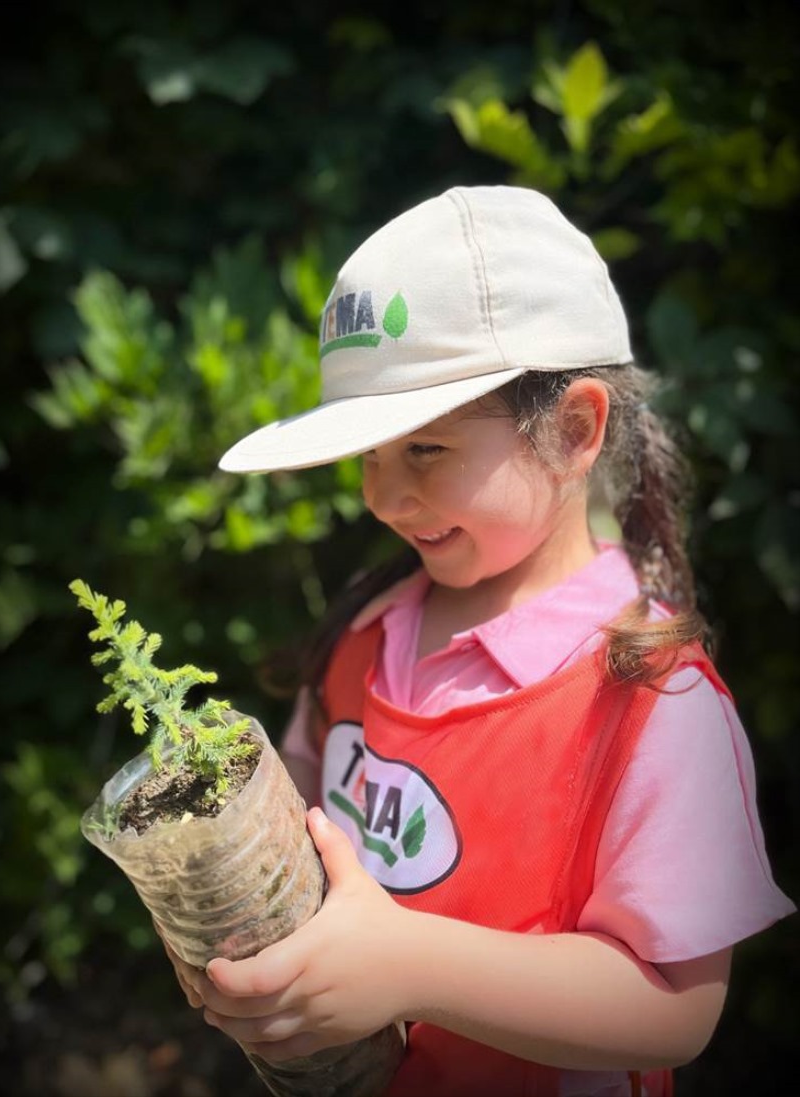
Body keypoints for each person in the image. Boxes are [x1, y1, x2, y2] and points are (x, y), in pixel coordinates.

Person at [167, 186, 795, 1096]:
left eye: (423, 450)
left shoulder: (649, 697)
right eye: (368, 456)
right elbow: (296, 832)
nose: (383, 497)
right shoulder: (365, 638)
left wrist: (411, 965)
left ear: (575, 428)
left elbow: (671, 1006)